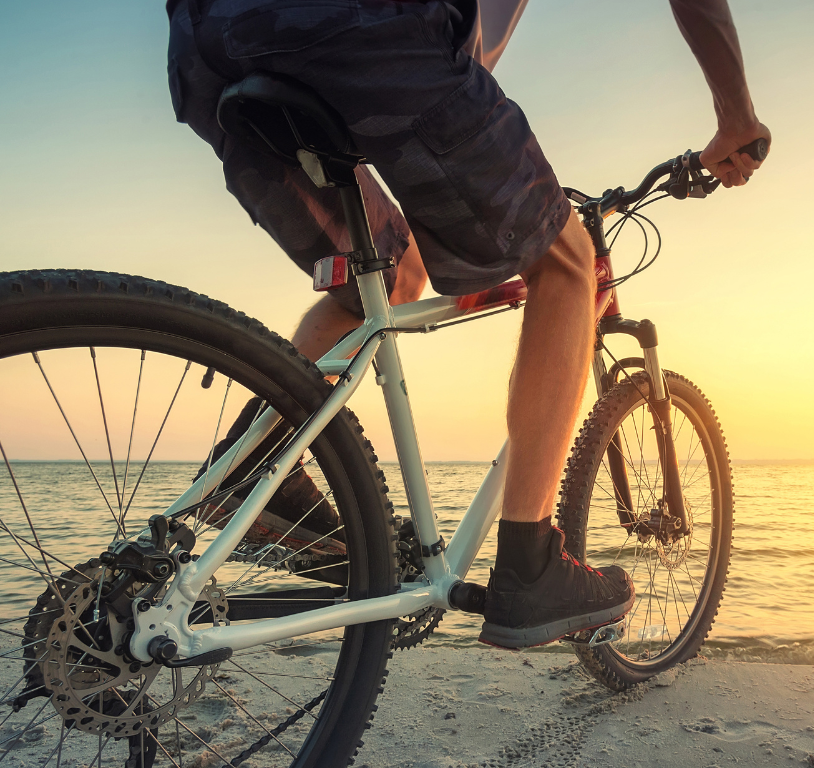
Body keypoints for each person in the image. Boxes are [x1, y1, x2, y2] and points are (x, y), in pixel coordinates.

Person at [166, 0, 770, 649]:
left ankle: (252, 463)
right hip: (364, 30)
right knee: (569, 261)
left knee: (388, 275)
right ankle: (530, 564)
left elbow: (446, 95)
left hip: (208, 46)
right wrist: (737, 118)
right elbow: (446, 73)